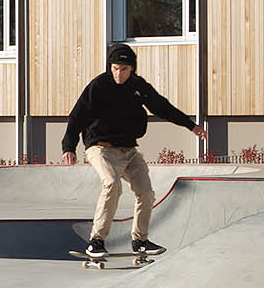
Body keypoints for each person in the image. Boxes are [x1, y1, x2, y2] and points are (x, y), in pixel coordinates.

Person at [60, 42, 207, 261]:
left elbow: (162, 107)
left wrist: (190, 125)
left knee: (146, 191)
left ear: (132, 69)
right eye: (115, 68)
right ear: (110, 67)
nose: (119, 74)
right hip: (100, 148)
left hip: (129, 150)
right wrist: (68, 146)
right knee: (112, 184)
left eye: (124, 70)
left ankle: (140, 241)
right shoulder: (98, 86)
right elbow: (77, 115)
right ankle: (96, 242)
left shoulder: (139, 87)